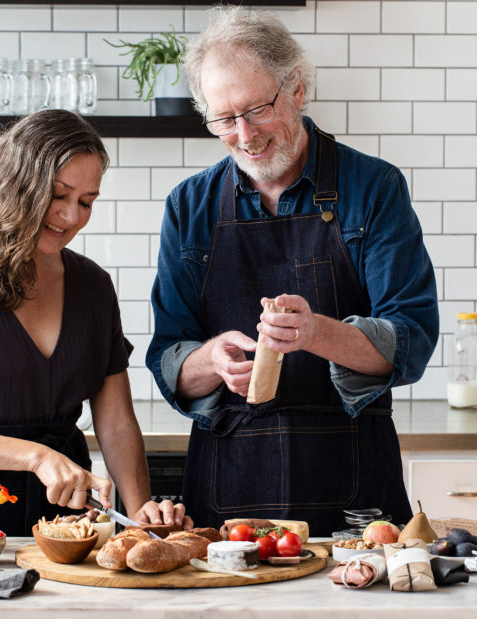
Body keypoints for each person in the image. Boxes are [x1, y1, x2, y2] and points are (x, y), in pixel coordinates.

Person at [146, 7, 439, 536]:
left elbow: (412, 341)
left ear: (297, 89)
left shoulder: (373, 189)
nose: (244, 134)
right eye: (223, 119)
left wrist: (317, 333)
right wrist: (210, 360)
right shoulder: (187, 207)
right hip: (226, 493)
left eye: (257, 110)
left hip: (354, 499)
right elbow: (169, 359)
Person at [0, 110, 190, 537]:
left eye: (86, 202)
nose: (70, 216)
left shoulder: (93, 287)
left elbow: (116, 422)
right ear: (17, 184)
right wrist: (36, 456)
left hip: (66, 519)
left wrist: (140, 511)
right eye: (58, 194)